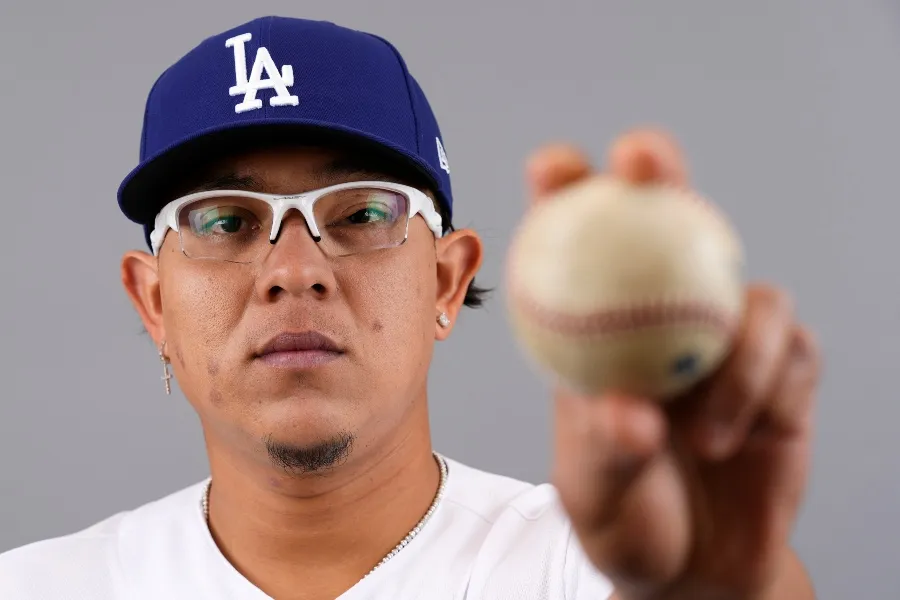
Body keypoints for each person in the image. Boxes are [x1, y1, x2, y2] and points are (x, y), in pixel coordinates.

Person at [0, 15, 821, 600]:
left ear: (446, 280)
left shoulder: (597, 570)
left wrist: (715, 590)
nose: (294, 270)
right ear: (153, 302)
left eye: (360, 213)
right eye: (224, 220)